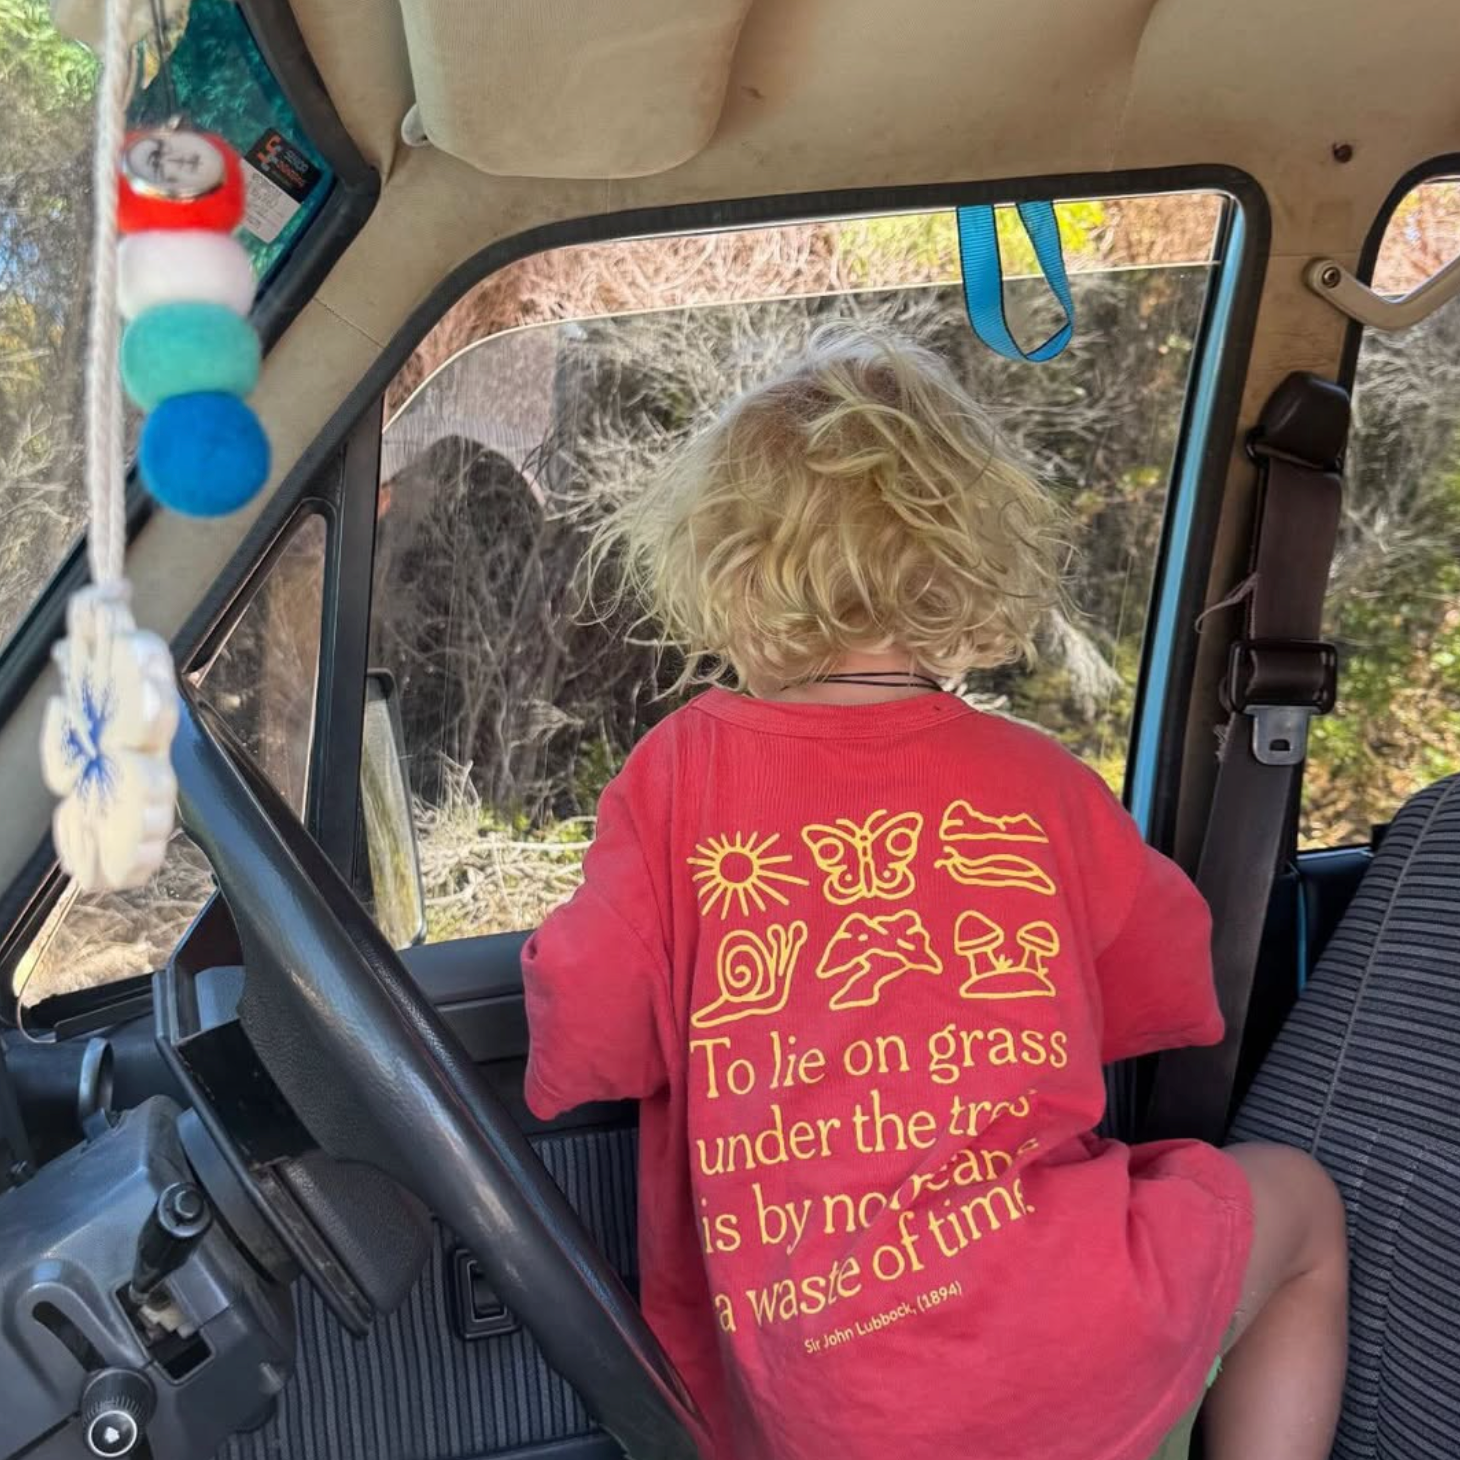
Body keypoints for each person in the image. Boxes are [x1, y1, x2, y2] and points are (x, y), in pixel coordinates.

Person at [521, 325, 1348, 1460]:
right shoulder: (1035, 784)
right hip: (1065, 1336)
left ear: (721, 560)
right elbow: (1169, 978)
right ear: (964, 555)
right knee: (1297, 1207)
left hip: (822, 1394)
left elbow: (593, 1041)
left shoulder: (674, 777)